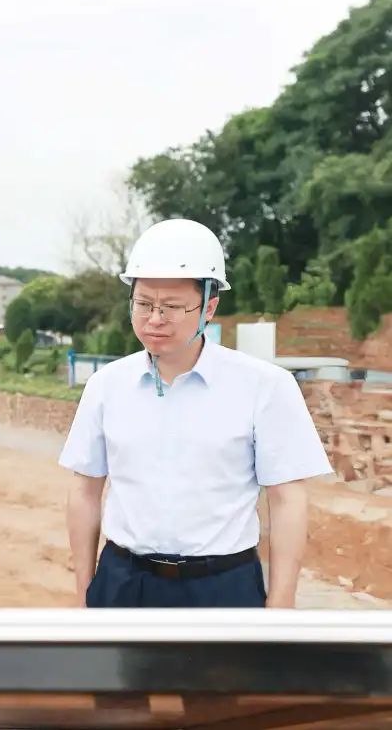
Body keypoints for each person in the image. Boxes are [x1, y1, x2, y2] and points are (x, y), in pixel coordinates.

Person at [60, 218, 332, 608]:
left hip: (223, 586)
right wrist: (85, 593)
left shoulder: (265, 386)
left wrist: (280, 604)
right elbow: (85, 490)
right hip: (123, 582)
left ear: (209, 307)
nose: (155, 319)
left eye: (172, 307)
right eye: (144, 304)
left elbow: (288, 499)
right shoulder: (106, 385)